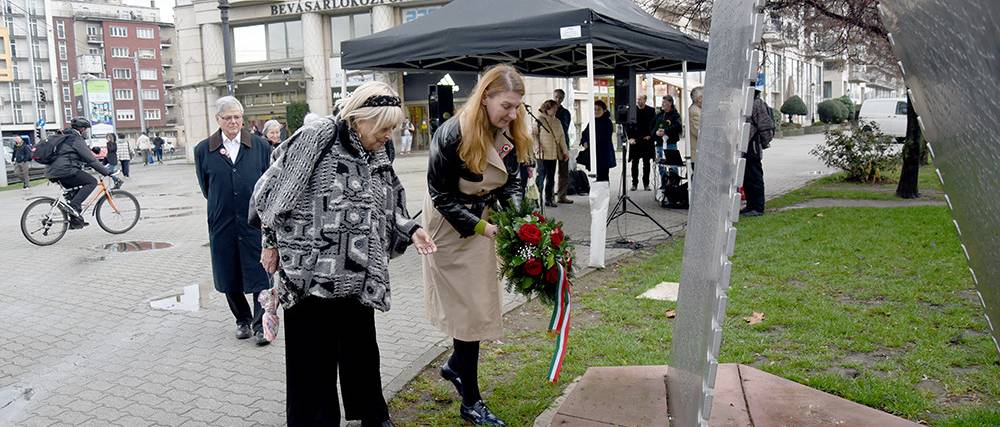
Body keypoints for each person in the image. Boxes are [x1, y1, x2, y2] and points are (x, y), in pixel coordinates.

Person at [253, 81, 435, 427]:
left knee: (362, 351)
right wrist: (269, 242)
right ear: (360, 119)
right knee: (312, 359)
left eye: (392, 129)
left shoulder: (377, 150)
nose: (388, 135)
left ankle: (372, 414)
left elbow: (390, 200)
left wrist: (411, 229)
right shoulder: (319, 135)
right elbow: (273, 191)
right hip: (310, 271)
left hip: (357, 269)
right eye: (383, 128)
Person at [423, 64, 531, 426]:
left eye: (517, 106)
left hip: (480, 223)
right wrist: (483, 227)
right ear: (486, 97)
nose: (513, 114)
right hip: (450, 227)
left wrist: (519, 222)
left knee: (475, 307)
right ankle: (470, 401)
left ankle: (457, 368)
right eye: (507, 106)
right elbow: (440, 195)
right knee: (469, 311)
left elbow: (511, 182)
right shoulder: (451, 133)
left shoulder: (506, 130)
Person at [194, 96, 273, 345]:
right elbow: (207, 188)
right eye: (227, 117)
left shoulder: (260, 146)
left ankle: (262, 325)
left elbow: (269, 183)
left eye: (237, 117)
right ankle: (242, 320)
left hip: (255, 223)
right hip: (223, 221)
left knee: (262, 273)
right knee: (229, 273)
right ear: (218, 120)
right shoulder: (204, 149)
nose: (233, 122)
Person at [44, 118, 116, 229]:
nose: (86, 131)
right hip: (65, 171)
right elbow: (91, 160)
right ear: (81, 129)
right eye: (86, 129)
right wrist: (106, 172)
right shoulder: (75, 139)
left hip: (53, 171)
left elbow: (73, 154)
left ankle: (75, 221)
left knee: (76, 191)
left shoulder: (65, 137)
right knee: (91, 182)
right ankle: (74, 206)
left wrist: (91, 152)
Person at [741, 88, 774, 217]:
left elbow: (764, 124)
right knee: (747, 177)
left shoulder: (756, 103)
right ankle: (750, 205)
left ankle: (758, 207)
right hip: (746, 144)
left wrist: (765, 141)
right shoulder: (747, 102)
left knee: (755, 176)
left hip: (752, 144)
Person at [532, 100, 569, 208]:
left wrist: (565, 152)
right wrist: (537, 147)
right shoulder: (539, 120)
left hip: (553, 154)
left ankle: (549, 199)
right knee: (541, 177)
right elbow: (534, 135)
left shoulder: (557, 121)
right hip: (542, 154)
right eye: (553, 108)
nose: (555, 110)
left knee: (551, 178)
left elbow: (562, 137)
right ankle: (536, 198)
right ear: (547, 108)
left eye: (556, 108)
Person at [577, 100, 616, 182]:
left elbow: (605, 137)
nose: (596, 111)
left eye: (598, 109)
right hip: (593, 153)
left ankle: (603, 192)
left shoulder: (607, 122)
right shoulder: (592, 121)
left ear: (604, 110)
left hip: (603, 154)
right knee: (597, 175)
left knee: (604, 175)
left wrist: (592, 142)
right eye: (594, 109)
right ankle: (598, 192)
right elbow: (585, 133)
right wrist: (585, 141)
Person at [627, 95, 656, 191]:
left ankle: (646, 184)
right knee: (634, 163)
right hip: (635, 140)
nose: (638, 101)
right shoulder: (632, 111)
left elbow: (654, 125)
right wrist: (630, 137)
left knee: (646, 163)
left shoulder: (651, 111)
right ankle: (634, 183)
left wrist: (650, 135)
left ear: (645, 100)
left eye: (640, 99)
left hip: (646, 140)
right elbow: (628, 125)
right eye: (637, 99)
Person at [654, 95, 683, 184]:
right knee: (661, 165)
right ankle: (664, 184)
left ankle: (674, 184)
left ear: (670, 103)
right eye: (662, 102)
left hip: (670, 144)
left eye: (665, 102)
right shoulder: (659, 115)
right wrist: (656, 133)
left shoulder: (675, 115)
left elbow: (678, 127)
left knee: (673, 165)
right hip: (659, 144)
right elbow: (653, 127)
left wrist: (666, 131)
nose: (663, 104)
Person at [552, 89, 573, 204]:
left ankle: (562, 196)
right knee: (548, 172)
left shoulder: (565, 112)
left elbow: (565, 129)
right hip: (549, 145)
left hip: (563, 144)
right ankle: (547, 196)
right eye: (556, 97)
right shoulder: (546, 111)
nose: (558, 99)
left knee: (564, 172)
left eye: (560, 97)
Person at [688, 87, 703, 165]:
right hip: (698, 153)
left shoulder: (698, 109)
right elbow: (698, 131)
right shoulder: (694, 111)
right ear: (699, 99)